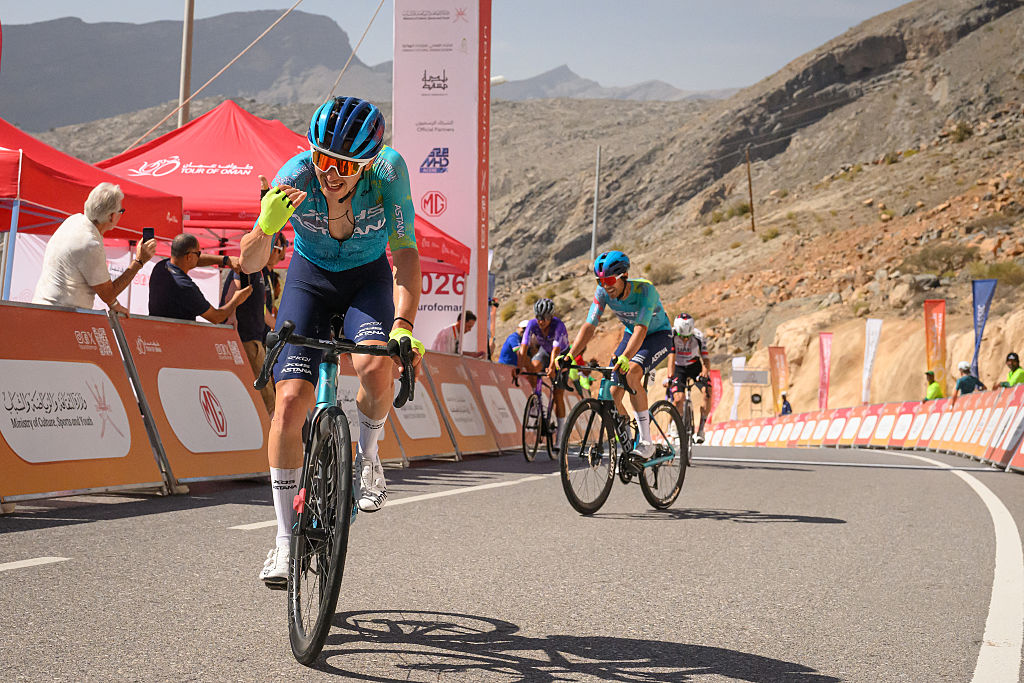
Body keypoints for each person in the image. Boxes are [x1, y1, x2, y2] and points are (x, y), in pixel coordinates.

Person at [238, 96, 424, 589]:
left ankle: (368, 456)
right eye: (322, 158)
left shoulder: (388, 174)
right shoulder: (296, 176)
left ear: (365, 165)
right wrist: (266, 225)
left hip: (368, 280)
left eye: (343, 165)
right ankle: (282, 539)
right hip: (310, 278)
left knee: (374, 364)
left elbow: (405, 256)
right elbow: (250, 262)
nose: (329, 173)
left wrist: (403, 323)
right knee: (290, 402)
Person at [561, 251, 672, 460]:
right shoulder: (602, 292)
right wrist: (569, 356)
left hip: (657, 336)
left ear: (624, 276)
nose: (605, 286)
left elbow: (641, 329)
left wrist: (626, 357)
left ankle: (647, 442)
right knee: (612, 393)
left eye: (610, 280)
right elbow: (589, 325)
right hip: (632, 335)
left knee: (631, 373)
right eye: (600, 281)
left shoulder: (645, 291)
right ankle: (629, 445)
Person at [32, 182, 156, 313]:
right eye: (121, 211)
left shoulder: (73, 220)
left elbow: (106, 293)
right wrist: (139, 261)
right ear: (112, 216)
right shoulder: (90, 243)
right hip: (60, 316)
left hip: (44, 308)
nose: (121, 215)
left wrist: (114, 304)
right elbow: (108, 294)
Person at [222, 228, 288, 417]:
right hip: (248, 339)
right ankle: (272, 439)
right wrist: (231, 315)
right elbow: (232, 294)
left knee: (264, 395)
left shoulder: (259, 270)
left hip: (255, 339)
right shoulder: (248, 265)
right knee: (267, 398)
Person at [149, 233, 250, 322]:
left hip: (156, 335)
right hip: (176, 339)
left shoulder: (160, 267)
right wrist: (236, 300)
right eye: (198, 253)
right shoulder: (185, 286)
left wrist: (225, 260)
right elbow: (216, 317)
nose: (199, 256)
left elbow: (194, 260)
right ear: (189, 256)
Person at [518, 298, 571, 447]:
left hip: (561, 354)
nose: (541, 321)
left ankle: (560, 436)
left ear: (550, 317)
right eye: (538, 317)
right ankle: (536, 397)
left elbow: (556, 350)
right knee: (532, 368)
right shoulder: (532, 324)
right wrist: (519, 368)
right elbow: (523, 347)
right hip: (544, 351)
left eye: (544, 318)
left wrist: (552, 367)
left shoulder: (558, 325)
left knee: (558, 394)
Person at [667, 313, 712, 443]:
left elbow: (705, 358)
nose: (685, 340)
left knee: (707, 392)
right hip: (678, 367)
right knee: (678, 398)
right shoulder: (672, 335)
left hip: (694, 365)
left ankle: (701, 429)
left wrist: (704, 371)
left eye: (688, 336)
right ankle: (675, 423)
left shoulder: (698, 336)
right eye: (682, 336)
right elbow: (671, 357)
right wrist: (670, 376)